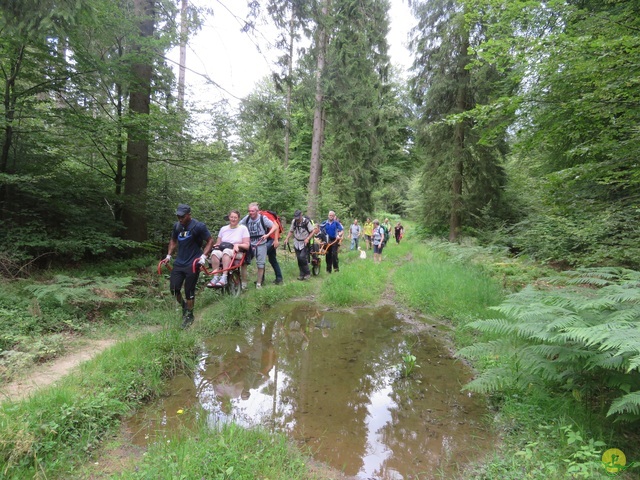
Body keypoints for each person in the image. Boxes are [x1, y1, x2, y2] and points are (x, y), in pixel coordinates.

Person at [160, 203, 214, 328]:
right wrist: (168, 255)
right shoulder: (177, 226)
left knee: (189, 290)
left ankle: (189, 316)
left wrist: (203, 257)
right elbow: (173, 240)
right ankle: (185, 307)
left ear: (189, 215)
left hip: (193, 262)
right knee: (174, 289)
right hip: (179, 262)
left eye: (182, 217)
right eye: (178, 216)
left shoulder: (198, 226)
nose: (180, 219)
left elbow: (210, 241)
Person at [207, 210, 250, 288]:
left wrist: (238, 245)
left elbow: (247, 245)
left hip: (237, 252)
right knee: (214, 253)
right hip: (223, 250)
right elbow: (218, 243)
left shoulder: (243, 229)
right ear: (229, 218)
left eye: (235, 217)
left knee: (226, 252)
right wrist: (215, 246)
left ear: (239, 219)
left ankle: (224, 276)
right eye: (231, 217)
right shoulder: (223, 229)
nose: (233, 219)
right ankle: (215, 277)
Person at [240, 202, 278, 289]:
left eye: (253, 211)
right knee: (244, 263)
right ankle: (244, 284)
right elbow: (239, 226)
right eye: (249, 211)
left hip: (261, 244)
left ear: (257, 211)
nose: (251, 213)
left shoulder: (262, 218)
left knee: (261, 264)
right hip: (249, 244)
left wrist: (267, 235)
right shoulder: (247, 218)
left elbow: (275, 226)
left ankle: (258, 284)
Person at [284, 209, 315, 280]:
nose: (297, 220)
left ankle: (307, 273)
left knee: (302, 257)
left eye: (298, 218)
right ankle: (301, 274)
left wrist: (308, 238)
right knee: (299, 258)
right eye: (296, 218)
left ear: (301, 216)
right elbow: (291, 231)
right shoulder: (294, 221)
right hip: (296, 242)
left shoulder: (306, 222)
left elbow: (313, 231)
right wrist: (287, 238)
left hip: (305, 242)